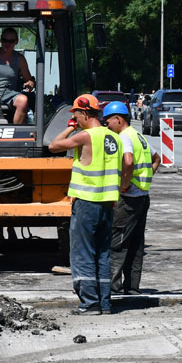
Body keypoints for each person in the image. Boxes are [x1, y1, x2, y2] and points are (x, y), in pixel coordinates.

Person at [48, 94, 128, 315]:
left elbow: (53, 146)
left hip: (86, 203)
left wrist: (70, 128)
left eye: (76, 115)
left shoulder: (85, 136)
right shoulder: (114, 138)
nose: (75, 118)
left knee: (82, 254)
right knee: (102, 254)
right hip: (107, 204)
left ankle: (90, 303)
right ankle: (104, 303)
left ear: (84, 113)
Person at [103, 101, 161, 295]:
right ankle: (132, 286)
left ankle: (112, 285)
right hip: (143, 197)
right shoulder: (138, 136)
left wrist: (124, 185)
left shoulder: (124, 137)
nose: (107, 126)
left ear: (118, 119)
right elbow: (157, 159)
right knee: (136, 244)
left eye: (108, 121)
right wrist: (145, 178)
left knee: (117, 241)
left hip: (129, 199)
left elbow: (128, 162)